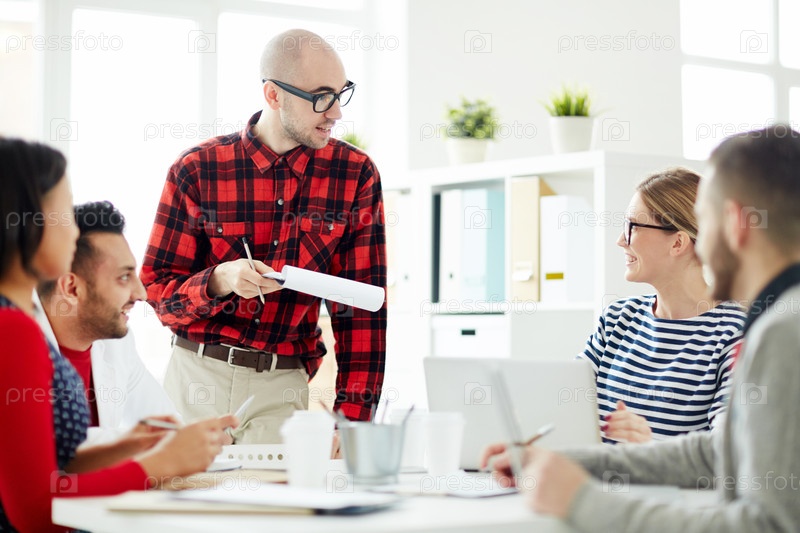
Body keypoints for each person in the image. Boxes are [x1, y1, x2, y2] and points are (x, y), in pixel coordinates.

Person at [483, 125, 800, 531]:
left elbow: (767, 526)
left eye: (704, 222)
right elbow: (718, 454)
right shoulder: (778, 320)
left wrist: (581, 500)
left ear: (735, 225)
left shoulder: (784, 332)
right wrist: (562, 462)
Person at [140, 28, 387, 443]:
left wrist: (353, 423)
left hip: (282, 387)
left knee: (281, 489)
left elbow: (362, 311)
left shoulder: (355, 174)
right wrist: (218, 280)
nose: (335, 113)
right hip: (195, 380)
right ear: (274, 95)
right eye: (321, 97)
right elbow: (157, 292)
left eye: (340, 94)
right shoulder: (197, 169)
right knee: (184, 488)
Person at [0, 138, 237, 532]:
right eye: (64, 213)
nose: (74, 232)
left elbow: (51, 467)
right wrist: (162, 463)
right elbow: (37, 510)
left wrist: (134, 444)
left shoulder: (16, 321)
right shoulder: (13, 330)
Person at [579, 168, 745, 443]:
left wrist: (647, 450)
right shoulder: (618, 319)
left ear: (678, 242)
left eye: (632, 227)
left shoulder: (735, 333)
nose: (620, 241)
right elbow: (567, 409)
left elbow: (726, 452)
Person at [36, 200, 180, 445]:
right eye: (124, 277)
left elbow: (168, 427)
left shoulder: (117, 344)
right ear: (72, 288)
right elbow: (49, 447)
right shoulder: (15, 346)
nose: (141, 294)